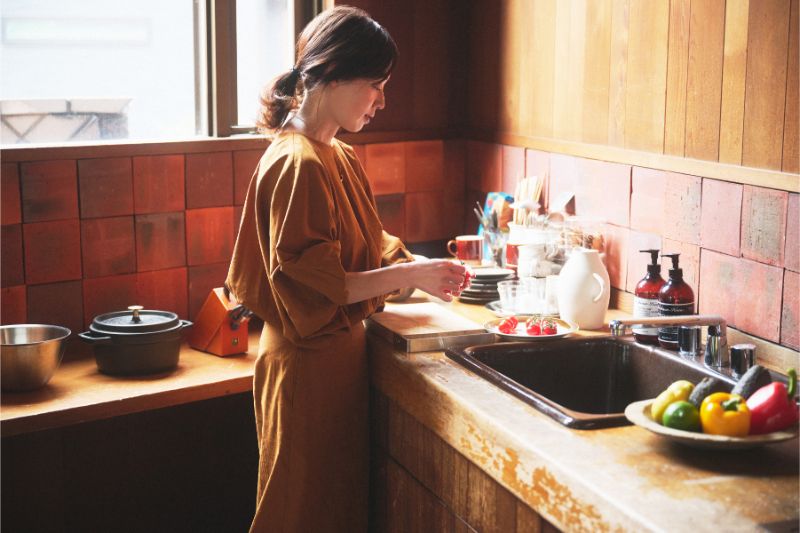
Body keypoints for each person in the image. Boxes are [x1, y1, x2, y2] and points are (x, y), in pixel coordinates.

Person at [226, 5, 467, 532]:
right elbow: (320, 282)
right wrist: (411, 277)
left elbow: (371, 243)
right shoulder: (299, 162)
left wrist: (421, 266)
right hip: (305, 366)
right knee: (299, 513)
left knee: (330, 511)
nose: (383, 101)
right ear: (332, 73)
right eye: (375, 85)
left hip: (335, 361)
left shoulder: (335, 154)